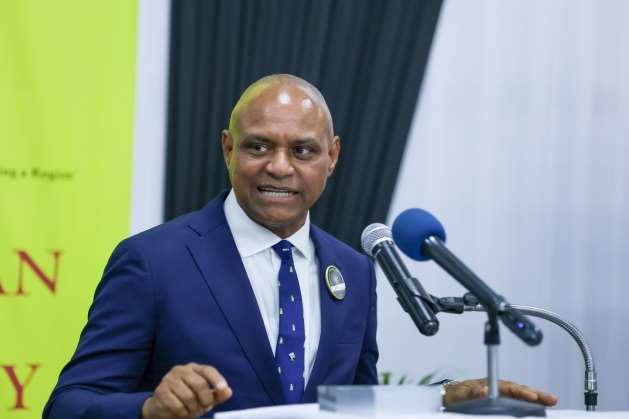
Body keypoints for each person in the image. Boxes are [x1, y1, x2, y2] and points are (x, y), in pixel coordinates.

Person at [44, 74, 557, 418]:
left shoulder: (355, 271)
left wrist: (441, 400)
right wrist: (147, 408)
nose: (279, 167)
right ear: (228, 148)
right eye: (258, 146)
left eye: (303, 150)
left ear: (332, 157)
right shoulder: (153, 261)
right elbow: (67, 405)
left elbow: (352, 406)